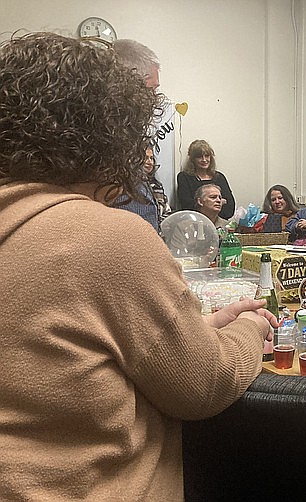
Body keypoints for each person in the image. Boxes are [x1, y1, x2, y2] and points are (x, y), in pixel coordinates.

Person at [0, 32, 277, 501]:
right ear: (112, 134)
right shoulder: (107, 237)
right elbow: (204, 384)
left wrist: (200, 327)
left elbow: (70, 353)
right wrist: (249, 326)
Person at [111, 39, 162, 231]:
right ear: (130, 83)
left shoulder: (129, 137)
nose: (156, 99)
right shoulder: (108, 142)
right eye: (153, 89)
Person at [177, 139, 235, 219]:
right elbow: (187, 206)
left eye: (207, 156)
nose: (204, 160)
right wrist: (217, 204)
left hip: (219, 225)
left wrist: (205, 204)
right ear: (192, 159)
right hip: (194, 223)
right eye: (200, 157)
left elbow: (230, 208)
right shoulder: (184, 177)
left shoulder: (219, 177)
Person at [144, 146, 172, 226]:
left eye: (151, 158)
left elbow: (167, 211)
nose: (150, 162)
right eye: (146, 158)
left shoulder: (157, 186)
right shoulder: (129, 187)